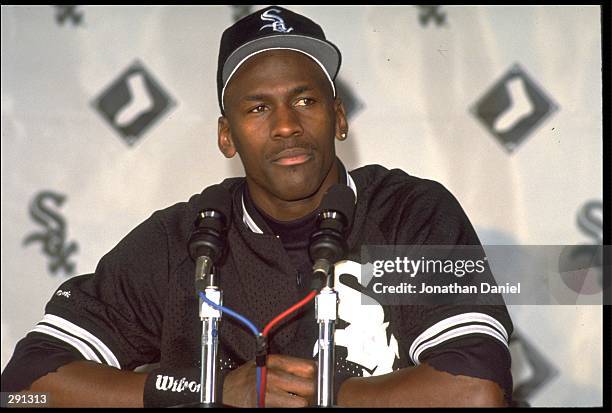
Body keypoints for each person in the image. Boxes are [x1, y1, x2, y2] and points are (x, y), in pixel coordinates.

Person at [1, 6, 513, 407]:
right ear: (226, 136)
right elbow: (25, 390)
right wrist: (208, 389)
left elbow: (475, 391)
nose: (286, 124)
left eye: (306, 101)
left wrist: (314, 397)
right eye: (258, 108)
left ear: (339, 118)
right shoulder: (181, 239)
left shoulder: (410, 213)